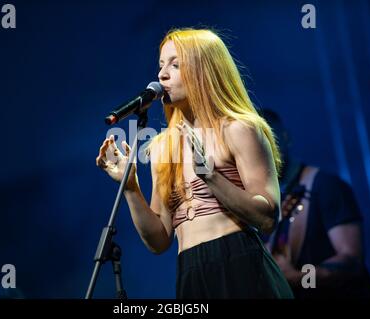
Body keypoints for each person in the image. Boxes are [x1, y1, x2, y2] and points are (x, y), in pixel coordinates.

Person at [96, 28, 293, 299]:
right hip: (190, 270)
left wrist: (211, 177)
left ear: (205, 71)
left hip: (240, 261)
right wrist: (131, 188)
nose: (162, 74)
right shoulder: (162, 147)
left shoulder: (238, 129)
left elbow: (268, 217)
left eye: (175, 65)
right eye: (161, 65)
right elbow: (159, 239)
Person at [259, 108, 370, 299]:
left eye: (269, 139)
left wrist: (299, 278)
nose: (263, 150)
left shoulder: (326, 186)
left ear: (285, 137)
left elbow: (352, 263)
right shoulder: (262, 202)